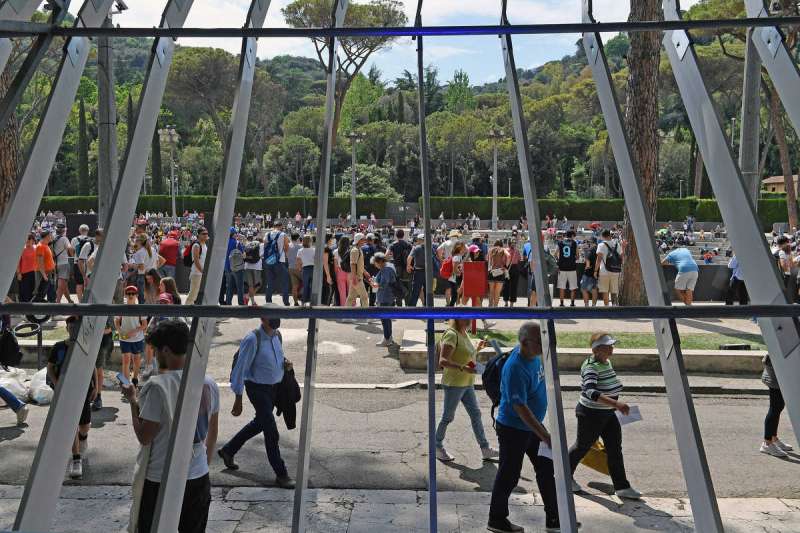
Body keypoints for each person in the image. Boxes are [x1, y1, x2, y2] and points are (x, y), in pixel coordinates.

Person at [122, 320, 217, 533]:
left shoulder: (157, 387)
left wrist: (132, 401)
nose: (154, 356)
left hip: (160, 477)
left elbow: (145, 437)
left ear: (165, 350)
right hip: (198, 475)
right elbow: (212, 434)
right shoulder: (208, 383)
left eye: (155, 350)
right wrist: (202, 466)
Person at [489, 322, 562, 533]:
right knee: (509, 474)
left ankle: (555, 518)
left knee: (547, 469)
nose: (543, 345)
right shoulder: (515, 367)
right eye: (539, 342)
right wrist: (544, 434)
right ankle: (496, 519)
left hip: (532, 427)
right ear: (524, 342)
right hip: (514, 429)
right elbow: (519, 406)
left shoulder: (533, 355)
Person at [218, 317, 295, 489]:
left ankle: (228, 450)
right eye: (271, 315)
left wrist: (285, 365)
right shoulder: (252, 339)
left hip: (273, 389)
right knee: (271, 432)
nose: (277, 319)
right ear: (263, 318)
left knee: (259, 423)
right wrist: (238, 398)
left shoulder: (277, 335)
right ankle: (281, 474)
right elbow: (240, 369)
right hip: (257, 390)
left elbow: (275, 358)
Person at [568, 333, 641, 499]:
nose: (612, 348)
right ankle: (564, 477)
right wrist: (617, 404)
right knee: (582, 447)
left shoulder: (606, 362)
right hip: (591, 414)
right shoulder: (590, 367)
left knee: (614, 448)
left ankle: (622, 486)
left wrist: (614, 404)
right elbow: (590, 391)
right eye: (609, 346)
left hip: (607, 413)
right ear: (598, 349)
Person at [435, 318, 498, 463]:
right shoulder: (452, 334)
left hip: (467, 382)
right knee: (448, 417)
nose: (472, 319)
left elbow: (464, 354)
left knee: (476, 414)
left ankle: (485, 449)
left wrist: (478, 348)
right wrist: (464, 368)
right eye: (468, 317)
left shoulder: (464, 333)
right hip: (454, 383)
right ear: (460, 318)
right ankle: (437, 446)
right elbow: (443, 360)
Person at [47, 316, 97, 480]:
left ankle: (83, 438)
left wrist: (96, 386)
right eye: (71, 327)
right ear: (67, 328)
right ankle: (76, 459)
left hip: (84, 390)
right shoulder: (59, 347)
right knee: (71, 425)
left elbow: (93, 367)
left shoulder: (85, 347)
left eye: (76, 327)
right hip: (66, 391)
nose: (73, 329)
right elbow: (50, 368)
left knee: (84, 425)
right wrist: (57, 384)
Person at [760, 355, 794, 457]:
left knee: (778, 407)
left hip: (778, 373)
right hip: (776, 374)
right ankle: (767, 443)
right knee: (775, 408)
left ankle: (773, 438)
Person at [116, 286, 147, 388]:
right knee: (125, 360)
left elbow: (144, 325)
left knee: (136, 360)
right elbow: (116, 321)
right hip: (124, 338)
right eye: (128, 293)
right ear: (125, 295)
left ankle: (134, 379)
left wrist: (135, 331)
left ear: (137, 295)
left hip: (137, 338)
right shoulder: (122, 307)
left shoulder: (140, 308)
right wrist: (120, 331)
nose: (130, 295)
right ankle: (126, 382)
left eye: (133, 294)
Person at [371, 252, 399, 347]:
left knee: (384, 319)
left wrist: (375, 284)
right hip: (389, 296)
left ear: (379, 262)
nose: (375, 265)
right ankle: (388, 337)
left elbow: (384, 283)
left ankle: (387, 338)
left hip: (385, 297)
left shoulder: (385, 269)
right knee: (387, 318)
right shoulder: (390, 266)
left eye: (375, 263)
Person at [264, 221, 290, 306]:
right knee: (284, 282)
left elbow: (265, 246)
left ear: (273, 226)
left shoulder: (267, 234)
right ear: (281, 226)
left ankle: (268, 301)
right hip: (279, 261)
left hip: (269, 261)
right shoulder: (283, 235)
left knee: (270, 282)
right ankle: (286, 302)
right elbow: (286, 248)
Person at [595, 229, 622, 306]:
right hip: (616, 270)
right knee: (614, 291)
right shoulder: (616, 244)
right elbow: (621, 256)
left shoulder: (601, 245)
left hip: (604, 271)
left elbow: (599, 259)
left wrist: (595, 271)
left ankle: (606, 308)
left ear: (602, 236)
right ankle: (614, 306)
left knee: (605, 291)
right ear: (610, 235)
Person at [388, 229, 412, 307]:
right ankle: (408, 305)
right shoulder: (408, 244)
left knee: (398, 285)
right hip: (406, 268)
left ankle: (399, 306)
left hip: (397, 268)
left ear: (396, 235)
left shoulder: (393, 244)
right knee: (407, 285)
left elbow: (386, 255)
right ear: (403, 235)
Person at [346, 233, 371, 308]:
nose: (365, 241)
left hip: (356, 277)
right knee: (364, 297)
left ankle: (345, 314)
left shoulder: (358, 249)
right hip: (357, 277)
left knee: (350, 298)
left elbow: (359, 264)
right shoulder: (355, 251)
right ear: (359, 240)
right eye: (363, 239)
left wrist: (365, 272)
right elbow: (353, 264)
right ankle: (365, 315)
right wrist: (355, 277)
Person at [185, 227, 209, 305]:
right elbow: (196, 261)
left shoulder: (204, 245)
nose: (206, 235)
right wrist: (203, 272)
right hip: (196, 273)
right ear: (198, 235)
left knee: (196, 295)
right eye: (203, 234)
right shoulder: (196, 245)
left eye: (206, 233)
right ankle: (184, 313)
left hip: (201, 273)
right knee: (193, 294)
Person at [52, 224, 75, 304]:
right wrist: (72, 256)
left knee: (64, 285)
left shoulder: (52, 238)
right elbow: (70, 248)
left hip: (54, 264)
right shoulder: (64, 238)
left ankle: (69, 301)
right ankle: (57, 303)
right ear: (64, 231)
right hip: (63, 263)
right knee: (61, 285)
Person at [70, 225, 92, 301]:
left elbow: (72, 251)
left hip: (77, 263)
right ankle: (87, 301)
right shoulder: (90, 240)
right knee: (88, 283)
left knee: (79, 284)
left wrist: (75, 257)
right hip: (87, 264)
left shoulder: (74, 239)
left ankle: (80, 301)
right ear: (87, 231)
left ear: (79, 231)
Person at [556, 230, 578, 307]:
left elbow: (556, 254)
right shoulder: (574, 243)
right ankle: (572, 303)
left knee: (561, 287)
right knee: (573, 287)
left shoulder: (560, 243)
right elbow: (577, 256)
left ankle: (561, 303)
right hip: (572, 267)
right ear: (572, 235)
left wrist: (560, 260)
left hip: (562, 267)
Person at [226, 230, 246, 306]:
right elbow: (243, 255)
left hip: (227, 268)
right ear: (233, 234)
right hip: (237, 268)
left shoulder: (224, 242)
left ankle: (228, 305)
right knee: (240, 288)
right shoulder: (237, 243)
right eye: (236, 233)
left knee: (229, 288)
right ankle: (241, 304)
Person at [16, 233, 38, 303]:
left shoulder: (36, 248)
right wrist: (18, 273)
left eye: (29, 238)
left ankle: (31, 312)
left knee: (33, 293)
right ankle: (27, 312)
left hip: (34, 273)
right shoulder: (21, 249)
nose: (27, 240)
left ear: (32, 240)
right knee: (25, 293)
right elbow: (18, 262)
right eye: (26, 238)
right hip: (24, 274)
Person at [34, 230, 55, 302]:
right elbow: (40, 262)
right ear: (47, 236)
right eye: (51, 235)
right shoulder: (40, 246)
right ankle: (31, 311)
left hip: (48, 273)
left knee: (49, 293)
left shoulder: (46, 245)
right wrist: (44, 275)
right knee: (40, 294)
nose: (52, 237)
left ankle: (49, 311)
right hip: (44, 274)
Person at [487, 240, 508, 310]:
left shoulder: (490, 250)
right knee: (497, 292)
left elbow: (488, 260)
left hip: (492, 271)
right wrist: (506, 266)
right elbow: (509, 256)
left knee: (491, 291)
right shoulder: (503, 249)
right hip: (500, 271)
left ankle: (490, 306)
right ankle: (495, 308)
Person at [244, 235, 264, 307]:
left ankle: (251, 301)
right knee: (259, 284)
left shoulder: (248, 244)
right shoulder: (261, 245)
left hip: (247, 266)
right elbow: (262, 255)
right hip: (257, 267)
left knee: (250, 285)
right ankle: (247, 297)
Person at [295, 235, 316, 305]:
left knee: (305, 286)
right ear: (310, 241)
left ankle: (303, 302)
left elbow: (298, 262)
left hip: (305, 269)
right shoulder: (314, 250)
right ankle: (311, 302)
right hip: (313, 269)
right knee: (312, 286)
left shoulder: (300, 251)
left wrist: (300, 269)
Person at [408, 233, 427, 306]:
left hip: (418, 272)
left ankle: (412, 308)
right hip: (428, 272)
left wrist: (408, 266)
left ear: (419, 240)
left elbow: (409, 258)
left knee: (415, 291)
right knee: (427, 291)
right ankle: (427, 307)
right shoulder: (431, 247)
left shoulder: (415, 248)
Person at [502, 238, 521, 307]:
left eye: (514, 243)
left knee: (507, 286)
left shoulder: (506, 250)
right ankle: (511, 303)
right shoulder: (517, 251)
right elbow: (519, 259)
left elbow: (503, 261)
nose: (514, 244)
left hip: (508, 268)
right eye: (513, 243)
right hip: (514, 268)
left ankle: (507, 302)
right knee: (513, 286)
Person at [581, 239, 599, 307]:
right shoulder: (598, 249)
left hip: (589, 272)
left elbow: (587, 260)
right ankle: (594, 305)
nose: (588, 244)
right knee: (594, 289)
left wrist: (587, 267)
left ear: (591, 243)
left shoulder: (590, 250)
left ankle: (586, 305)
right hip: (596, 272)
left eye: (589, 242)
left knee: (583, 289)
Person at [287, 232, 303, 306]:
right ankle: (303, 300)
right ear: (297, 238)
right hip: (299, 268)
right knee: (306, 283)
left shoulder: (288, 246)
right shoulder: (300, 247)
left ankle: (296, 302)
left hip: (290, 267)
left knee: (294, 286)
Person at [335, 236, 351, 306]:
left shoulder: (336, 251)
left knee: (342, 293)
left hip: (340, 271)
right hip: (349, 272)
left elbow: (335, 265)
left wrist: (335, 275)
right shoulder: (351, 251)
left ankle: (343, 308)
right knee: (351, 292)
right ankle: (352, 307)